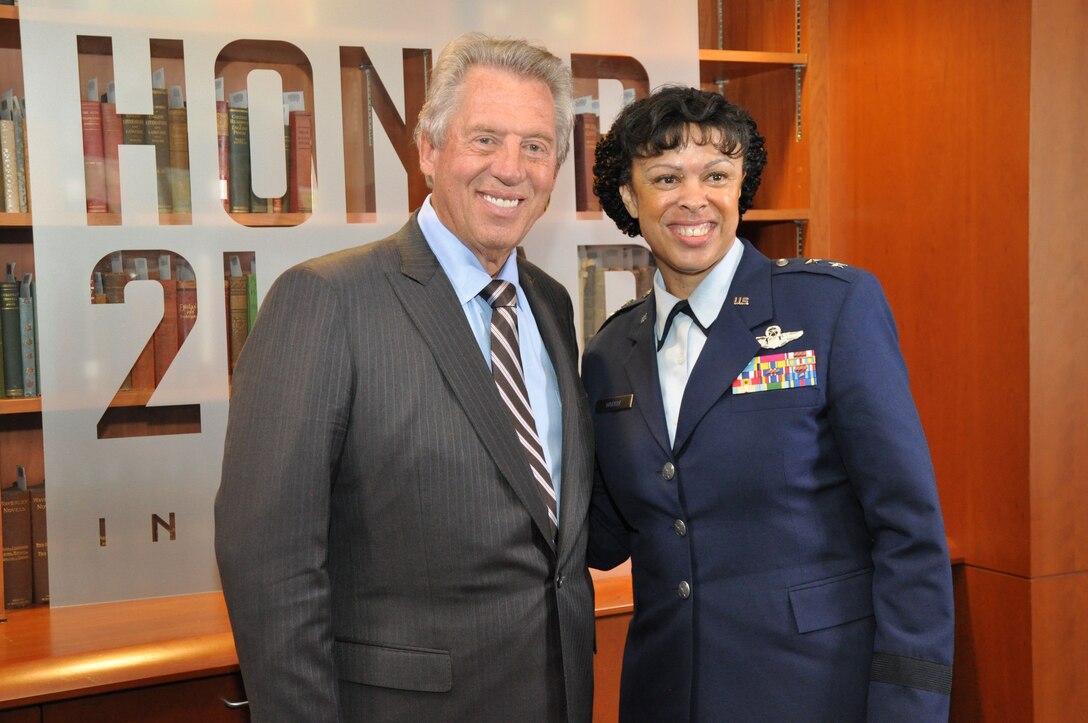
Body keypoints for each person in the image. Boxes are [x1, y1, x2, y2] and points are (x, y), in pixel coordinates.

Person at [215, 32, 595, 722]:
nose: (511, 169)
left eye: (536, 146)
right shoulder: (326, 300)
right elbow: (270, 568)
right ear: (428, 150)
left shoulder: (551, 304)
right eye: (485, 139)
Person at [584, 85, 954, 721]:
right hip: (666, 694)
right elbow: (604, 537)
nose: (692, 199)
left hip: (814, 692)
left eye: (716, 175)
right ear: (629, 196)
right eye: (665, 177)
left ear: (740, 187)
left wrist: (909, 708)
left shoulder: (831, 307)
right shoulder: (611, 350)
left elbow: (908, 530)